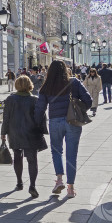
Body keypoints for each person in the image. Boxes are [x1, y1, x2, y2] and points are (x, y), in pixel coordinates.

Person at [34, 60, 92, 199]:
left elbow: (40, 108)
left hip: (55, 121)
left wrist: (36, 125)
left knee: (56, 151)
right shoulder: (74, 82)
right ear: (65, 70)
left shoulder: (46, 86)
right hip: (73, 121)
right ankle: (71, 188)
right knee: (71, 154)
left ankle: (59, 179)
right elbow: (88, 100)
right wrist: (78, 108)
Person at [1, 76, 47, 198]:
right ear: (30, 85)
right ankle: (32, 185)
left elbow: (6, 117)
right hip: (31, 133)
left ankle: (19, 182)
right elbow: (42, 117)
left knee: (17, 156)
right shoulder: (35, 100)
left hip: (15, 132)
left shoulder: (10, 99)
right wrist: (43, 131)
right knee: (32, 160)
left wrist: (3, 133)